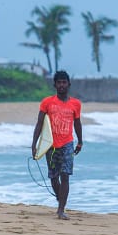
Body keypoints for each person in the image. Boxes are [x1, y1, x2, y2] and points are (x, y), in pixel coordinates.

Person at [32, 70, 83, 220]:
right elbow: (40, 123)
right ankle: (60, 200)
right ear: (54, 85)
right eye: (59, 82)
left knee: (65, 176)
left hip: (67, 143)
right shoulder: (47, 102)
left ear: (69, 84)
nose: (61, 85)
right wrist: (34, 144)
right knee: (54, 178)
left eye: (64, 82)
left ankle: (61, 210)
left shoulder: (75, 104)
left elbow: (77, 123)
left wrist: (80, 141)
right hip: (50, 145)